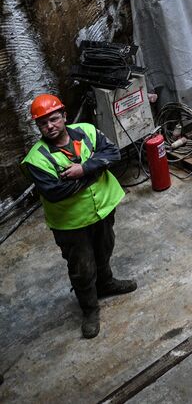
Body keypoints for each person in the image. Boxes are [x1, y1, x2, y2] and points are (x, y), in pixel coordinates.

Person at [19, 94, 137, 338]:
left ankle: (106, 283)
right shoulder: (36, 159)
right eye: (43, 123)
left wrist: (83, 169)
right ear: (38, 127)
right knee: (82, 267)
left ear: (63, 116)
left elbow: (113, 154)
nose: (49, 126)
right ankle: (90, 309)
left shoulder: (86, 131)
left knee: (105, 248)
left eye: (53, 119)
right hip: (70, 224)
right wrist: (96, 169)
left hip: (103, 209)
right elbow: (56, 192)